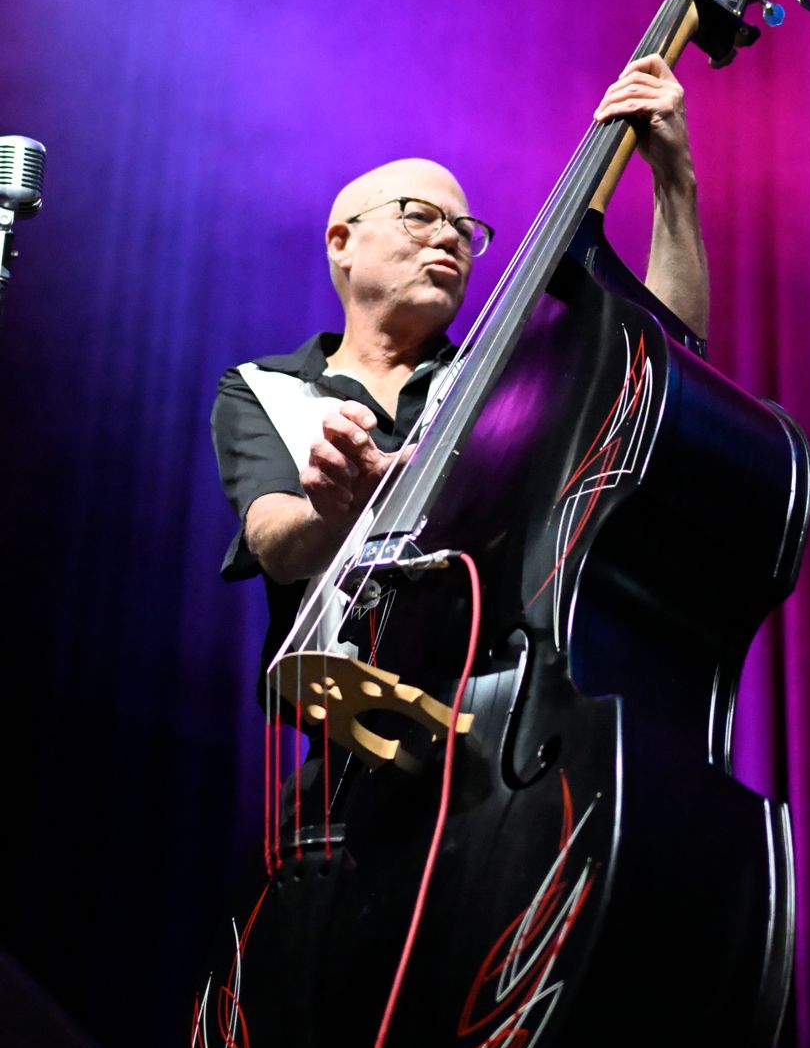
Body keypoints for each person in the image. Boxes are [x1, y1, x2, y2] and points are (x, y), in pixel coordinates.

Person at [212, 55, 710, 692]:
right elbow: (275, 546)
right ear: (342, 242)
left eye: (464, 228)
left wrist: (675, 180)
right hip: (346, 730)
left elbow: (664, 363)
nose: (450, 238)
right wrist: (336, 513)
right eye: (419, 215)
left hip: (494, 699)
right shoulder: (263, 388)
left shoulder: (502, 378)